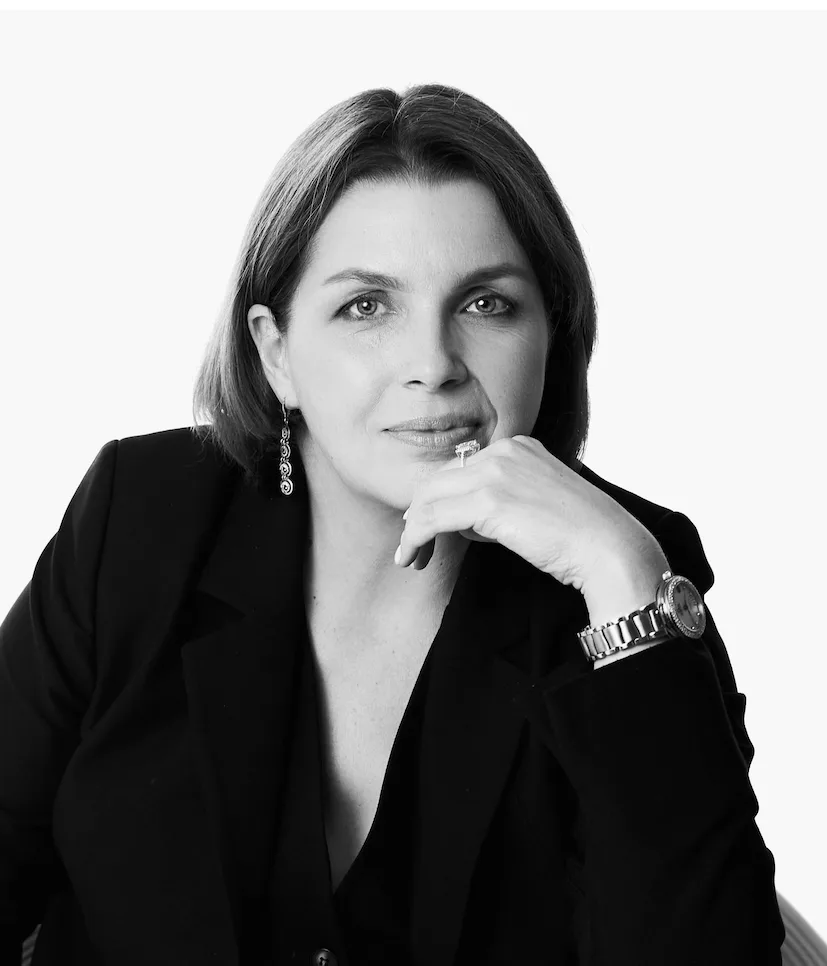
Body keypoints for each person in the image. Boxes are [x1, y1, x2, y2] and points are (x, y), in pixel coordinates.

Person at [0, 84, 785, 966]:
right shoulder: (142, 518)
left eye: (486, 304)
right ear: (276, 351)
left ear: (551, 337)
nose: (432, 365)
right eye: (367, 307)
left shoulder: (626, 575)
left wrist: (621, 580)